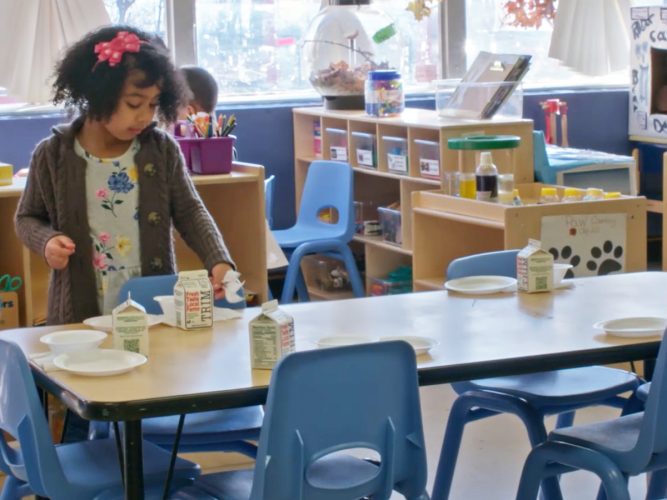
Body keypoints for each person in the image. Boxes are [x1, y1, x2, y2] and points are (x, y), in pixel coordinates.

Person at [15, 25, 237, 325]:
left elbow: (190, 211)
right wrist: (47, 241)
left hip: (152, 308)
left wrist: (219, 260)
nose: (145, 116)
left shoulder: (160, 150)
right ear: (98, 95)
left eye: (153, 105)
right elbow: (27, 217)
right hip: (81, 316)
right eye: (134, 103)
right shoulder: (53, 155)